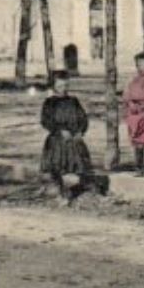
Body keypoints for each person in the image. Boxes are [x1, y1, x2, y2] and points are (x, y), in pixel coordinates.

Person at [39, 70, 95, 204]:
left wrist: (81, 131)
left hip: (74, 138)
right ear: (54, 86)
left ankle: (73, 191)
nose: (63, 89)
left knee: (76, 166)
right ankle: (60, 192)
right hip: (57, 140)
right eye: (59, 86)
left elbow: (83, 118)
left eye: (65, 86)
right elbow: (46, 121)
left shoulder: (73, 101)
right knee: (58, 166)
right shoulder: (50, 103)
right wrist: (59, 130)